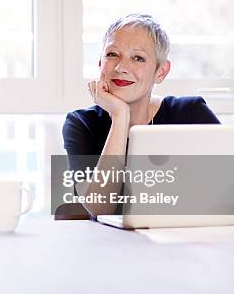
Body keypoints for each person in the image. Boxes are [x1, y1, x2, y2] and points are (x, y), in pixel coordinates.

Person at [61, 13, 219, 218]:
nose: (121, 67)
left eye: (138, 58)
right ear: (100, 63)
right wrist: (120, 115)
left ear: (160, 72)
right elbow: (100, 208)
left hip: (183, 241)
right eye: (112, 54)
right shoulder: (81, 124)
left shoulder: (191, 113)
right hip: (109, 247)